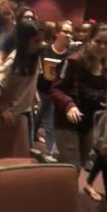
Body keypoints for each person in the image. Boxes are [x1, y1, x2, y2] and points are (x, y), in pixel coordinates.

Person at [50, 23, 107, 172]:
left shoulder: (106, 67)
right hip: (67, 122)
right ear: (89, 40)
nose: (102, 46)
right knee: (72, 167)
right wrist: (69, 105)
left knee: (81, 163)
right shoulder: (73, 61)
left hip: (89, 125)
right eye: (98, 41)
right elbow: (56, 89)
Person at [0, 19, 44, 145]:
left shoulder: (35, 57)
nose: (40, 44)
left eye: (41, 40)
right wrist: (3, 109)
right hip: (11, 114)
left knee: (27, 148)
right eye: (36, 41)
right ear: (24, 41)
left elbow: (32, 81)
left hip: (27, 111)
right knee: (9, 150)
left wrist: (36, 98)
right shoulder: (13, 61)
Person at [34, 20, 73, 155]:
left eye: (70, 32)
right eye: (65, 32)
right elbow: (35, 71)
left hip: (54, 93)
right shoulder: (44, 50)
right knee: (35, 120)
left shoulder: (69, 56)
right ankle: (27, 147)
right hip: (39, 90)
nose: (69, 35)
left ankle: (50, 153)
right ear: (57, 33)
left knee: (50, 123)